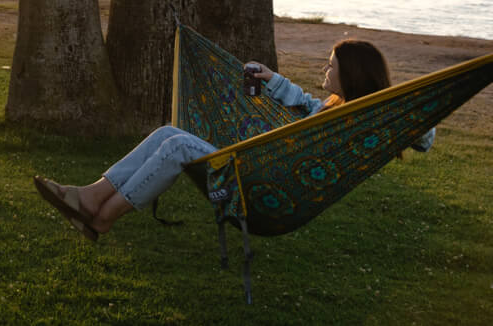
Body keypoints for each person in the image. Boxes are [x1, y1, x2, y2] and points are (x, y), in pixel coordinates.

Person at [33, 39, 437, 242]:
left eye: (331, 66)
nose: (324, 70)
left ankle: (102, 219)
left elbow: (425, 140)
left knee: (176, 148)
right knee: (167, 132)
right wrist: (271, 79)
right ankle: (90, 196)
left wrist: (397, 107)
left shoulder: (362, 121)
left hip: (263, 188)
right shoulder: (334, 108)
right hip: (258, 173)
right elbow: (304, 102)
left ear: (351, 74)